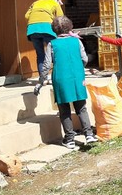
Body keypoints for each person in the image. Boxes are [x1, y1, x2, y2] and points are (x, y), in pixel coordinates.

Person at [41, 15, 98, 148]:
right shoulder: (76, 41)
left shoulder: (52, 44)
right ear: (70, 27)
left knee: (64, 108)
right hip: (77, 76)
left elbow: (47, 64)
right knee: (81, 107)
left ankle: (70, 139)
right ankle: (89, 134)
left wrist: (42, 78)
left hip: (60, 78)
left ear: (54, 30)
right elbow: (85, 59)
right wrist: (78, 69)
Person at [25, 0, 64, 89]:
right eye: (60, 3)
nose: (59, 4)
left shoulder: (36, 3)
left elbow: (26, 16)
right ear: (56, 0)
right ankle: (58, 77)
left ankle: (43, 79)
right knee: (55, 52)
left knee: (40, 54)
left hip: (32, 29)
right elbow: (60, 18)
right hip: (47, 28)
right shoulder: (54, 3)